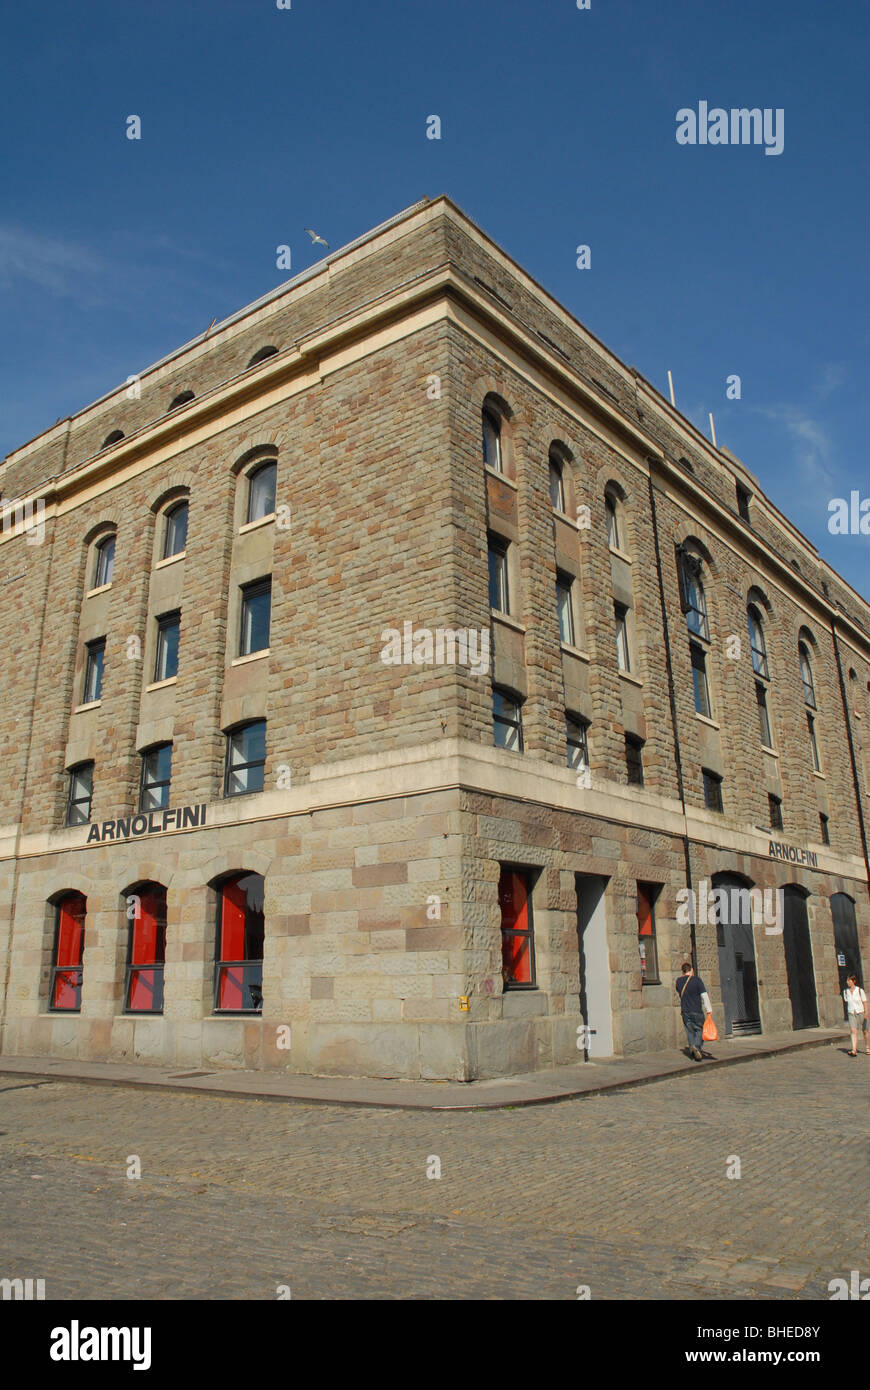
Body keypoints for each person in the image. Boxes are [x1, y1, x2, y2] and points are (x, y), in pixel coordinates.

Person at [676, 961, 711, 1061]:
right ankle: (696, 1046)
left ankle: (692, 1051)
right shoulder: (697, 980)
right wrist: (709, 1009)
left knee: (690, 1031)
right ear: (692, 970)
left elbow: (679, 992)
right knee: (700, 1029)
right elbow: (704, 995)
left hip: (685, 1010)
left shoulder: (678, 981)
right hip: (696, 1009)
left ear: (682, 972)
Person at [843, 974, 869, 1057]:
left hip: (861, 1012)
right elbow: (848, 1002)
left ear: (853, 981)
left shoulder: (859, 990)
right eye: (847, 981)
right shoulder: (846, 992)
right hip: (851, 1013)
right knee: (853, 1031)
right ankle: (854, 1050)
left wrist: (866, 1012)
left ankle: (868, 1048)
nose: (847, 982)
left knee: (865, 1031)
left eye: (849, 980)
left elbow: (864, 1002)